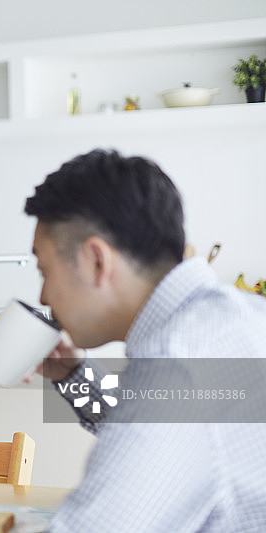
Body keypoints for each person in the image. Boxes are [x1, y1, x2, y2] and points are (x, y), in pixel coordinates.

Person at [24, 149, 266, 531]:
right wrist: (73, 374)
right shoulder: (228, 320)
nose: (42, 297)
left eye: (44, 270)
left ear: (96, 261)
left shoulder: (180, 365)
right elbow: (158, 430)